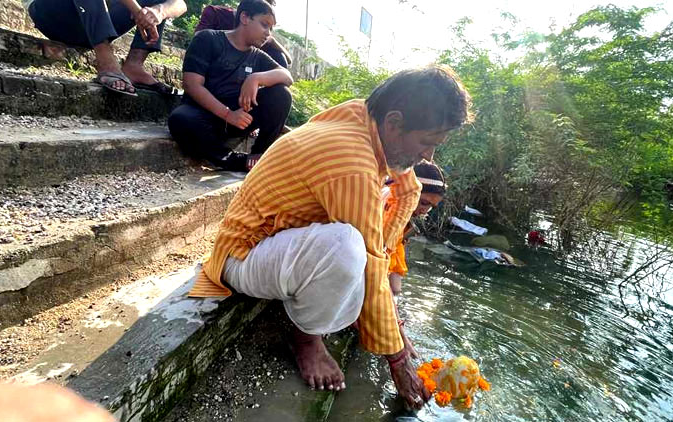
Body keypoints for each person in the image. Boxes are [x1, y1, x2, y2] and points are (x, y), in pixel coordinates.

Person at [187, 66, 471, 409]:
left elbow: (407, 189)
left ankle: (339, 317)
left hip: (278, 241)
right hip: (243, 254)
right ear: (394, 123)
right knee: (346, 248)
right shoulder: (351, 160)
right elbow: (370, 258)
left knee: (363, 251)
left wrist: (390, 326)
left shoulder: (365, 117)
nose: (429, 156)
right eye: (427, 143)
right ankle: (306, 338)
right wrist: (398, 361)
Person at [167, 0, 293, 172]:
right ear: (244, 17)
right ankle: (235, 161)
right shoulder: (209, 39)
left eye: (271, 29)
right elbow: (192, 85)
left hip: (239, 119)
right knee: (180, 119)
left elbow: (287, 76)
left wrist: (256, 78)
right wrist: (227, 114)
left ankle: (259, 154)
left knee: (281, 94)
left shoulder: (258, 56)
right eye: (264, 25)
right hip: (204, 115)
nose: (268, 34)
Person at [24, 0, 186, 96]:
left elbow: (181, 4)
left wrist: (157, 12)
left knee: (162, 4)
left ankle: (134, 66)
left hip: (92, 23)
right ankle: (106, 60)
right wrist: (138, 11)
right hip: (53, 14)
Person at [386, 162, 446, 295]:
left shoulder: (401, 227)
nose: (425, 211)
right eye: (424, 203)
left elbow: (395, 286)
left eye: (431, 207)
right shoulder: (384, 210)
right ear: (411, 191)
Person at [194, 3, 292, 69]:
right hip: (212, 70)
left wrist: (272, 41)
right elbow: (198, 40)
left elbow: (287, 62)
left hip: (245, 76)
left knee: (278, 57)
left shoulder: (262, 35)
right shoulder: (215, 13)